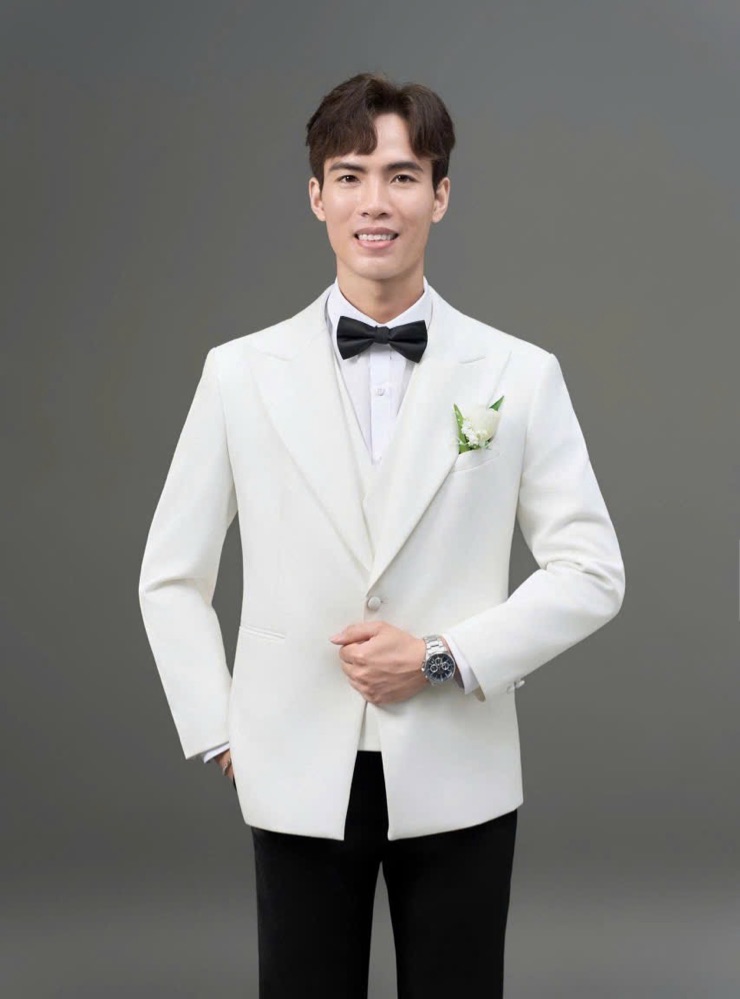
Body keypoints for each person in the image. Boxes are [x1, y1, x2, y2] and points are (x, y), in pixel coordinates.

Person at [138, 71, 625, 999]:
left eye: (402, 176)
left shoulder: (519, 374)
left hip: (459, 761)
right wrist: (220, 728)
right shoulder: (239, 374)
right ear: (316, 195)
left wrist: (441, 656)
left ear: (440, 195)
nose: (376, 202)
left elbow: (592, 569)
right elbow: (170, 575)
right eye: (350, 175)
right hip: (291, 761)